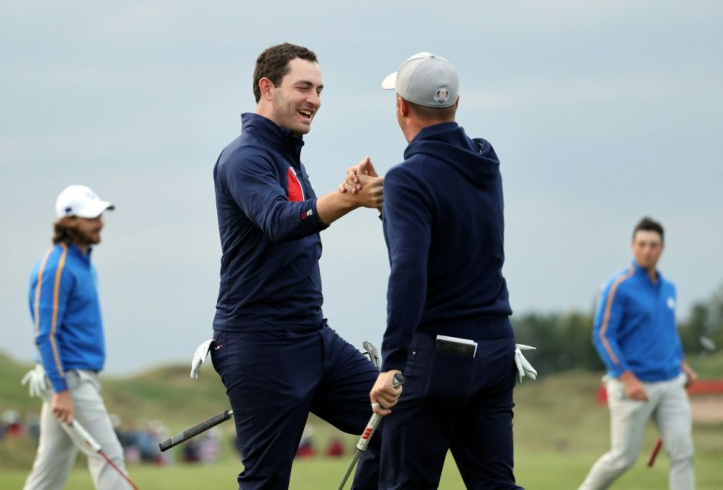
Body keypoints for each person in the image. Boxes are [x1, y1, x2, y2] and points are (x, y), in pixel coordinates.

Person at [205, 42, 385, 489]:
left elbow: (301, 216)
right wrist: (348, 199)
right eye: (303, 87)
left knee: (396, 421)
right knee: (267, 482)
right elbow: (280, 221)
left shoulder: (286, 155)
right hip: (258, 342)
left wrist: (343, 190)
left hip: (311, 335)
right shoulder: (244, 157)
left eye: (320, 90)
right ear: (267, 88)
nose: (315, 100)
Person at [361, 52, 529, 489]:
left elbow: (410, 273)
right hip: (495, 349)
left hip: (438, 355)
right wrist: (390, 207)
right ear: (456, 103)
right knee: (495, 483)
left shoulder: (408, 178)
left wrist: (393, 362)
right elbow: (447, 232)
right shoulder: (484, 160)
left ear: (401, 106)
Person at [22, 185, 132, 490]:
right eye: (91, 217)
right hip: (69, 378)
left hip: (73, 377)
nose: (100, 222)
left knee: (51, 469)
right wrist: (61, 389)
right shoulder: (56, 267)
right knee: (110, 458)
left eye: (99, 215)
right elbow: (46, 334)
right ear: (68, 222)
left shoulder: (81, 263)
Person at [579, 217, 696, 490]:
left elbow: (667, 333)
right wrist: (627, 378)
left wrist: (682, 365)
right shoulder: (618, 286)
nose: (647, 250)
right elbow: (603, 335)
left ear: (662, 248)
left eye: (653, 245)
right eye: (642, 244)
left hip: (671, 384)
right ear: (633, 246)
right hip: (633, 385)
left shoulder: (669, 289)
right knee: (622, 458)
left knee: (683, 452)